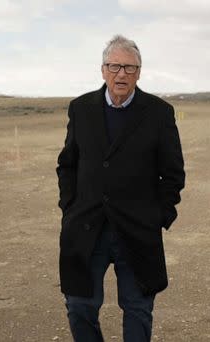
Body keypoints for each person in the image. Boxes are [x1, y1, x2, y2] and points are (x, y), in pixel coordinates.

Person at [56, 34, 185, 342]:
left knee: (138, 309)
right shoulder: (81, 108)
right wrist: (69, 206)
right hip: (88, 226)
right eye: (115, 66)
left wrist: (159, 216)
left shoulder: (158, 113)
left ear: (139, 73)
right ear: (103, 70)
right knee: (80, 306)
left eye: (129, 67)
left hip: (137, 230)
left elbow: (173, 173)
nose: (122, 74)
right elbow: (68, 164)